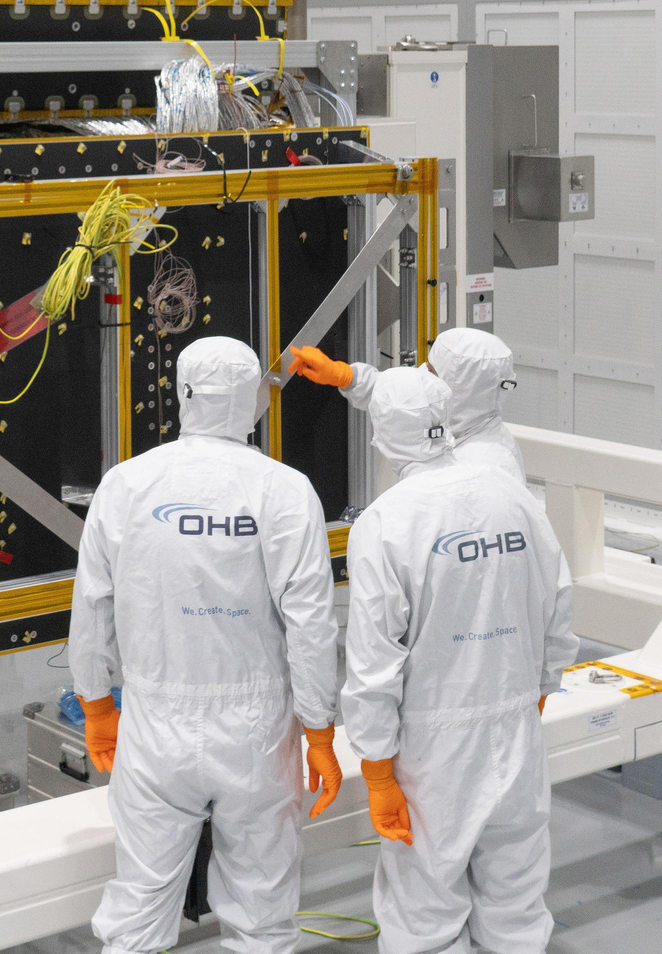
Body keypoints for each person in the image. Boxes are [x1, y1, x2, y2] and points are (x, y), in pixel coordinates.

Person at [68, 336, 344, 954]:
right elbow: (311, 624)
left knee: (139, 907)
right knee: (263, 912)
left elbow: (90, 608)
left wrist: (96, 706)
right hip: (260, 736)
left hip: (154, 725)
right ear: (253, 401)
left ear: (181, 392)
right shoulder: (285, 490)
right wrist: (320, 732)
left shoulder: (127, 484)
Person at [342, 379, 576, 954]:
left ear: (383, 435)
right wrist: (541, 685)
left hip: (432, 746)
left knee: (425, 903)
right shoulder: (512, 496)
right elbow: (558, 600)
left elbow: (374, 662)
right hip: (516, 725)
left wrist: (376, 769)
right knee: (517, 892)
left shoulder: (387, 520)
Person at [288, 325, 527, 480]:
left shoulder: (490, 466)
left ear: (463, 388)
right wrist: (344, 376)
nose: (423, 376)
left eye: (431, 371)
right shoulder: (461, 420)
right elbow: (403, 397)